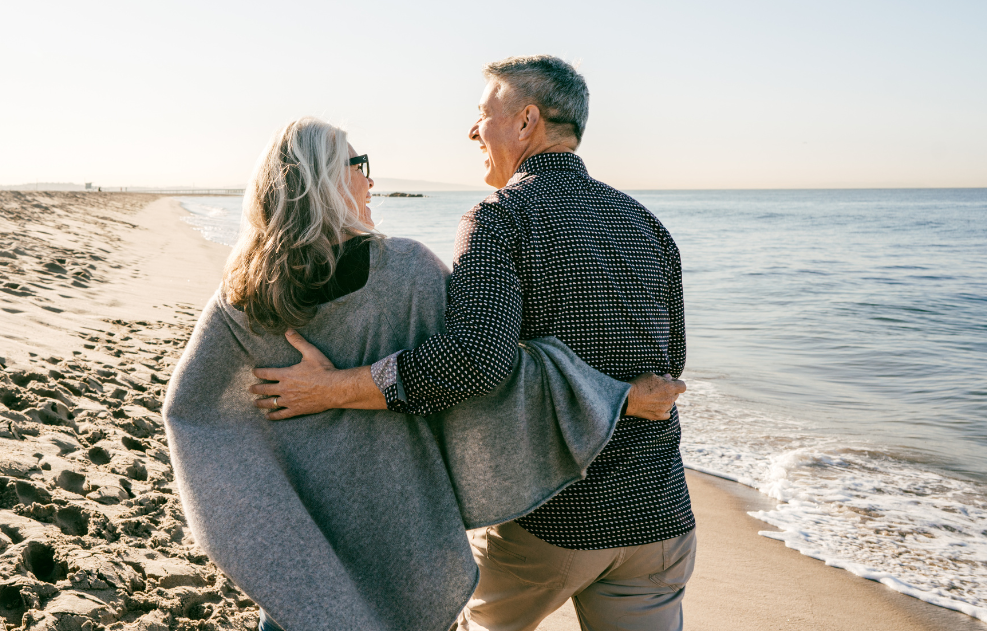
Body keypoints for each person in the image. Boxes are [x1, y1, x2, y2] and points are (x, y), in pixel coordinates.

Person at [252, 56, 693, 631]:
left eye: (483, 115)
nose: (472, 132)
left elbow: (473, 361)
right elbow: (671, 364)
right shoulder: (646, 223)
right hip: (659, 518)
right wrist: (623, 395)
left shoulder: (501, 216)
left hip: (551, 522)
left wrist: (332, 389)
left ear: (526, 121)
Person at [162, 117, 639, 631]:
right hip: (402, 524)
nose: (370, 181)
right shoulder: (405, 271)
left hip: (304, 524)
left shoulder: (244, 292)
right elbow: (483, 370)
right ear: (326, 180)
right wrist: (615, 394)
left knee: (307, 615)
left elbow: (190, 412)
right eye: (359, 165)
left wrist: (262, 508)